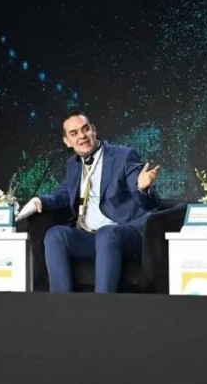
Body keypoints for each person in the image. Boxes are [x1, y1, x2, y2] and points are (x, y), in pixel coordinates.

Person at [25, 113, 161, 293]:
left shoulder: (123, 156)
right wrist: (40, 200)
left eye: (85, 129)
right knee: (55, 234)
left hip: (124, 233)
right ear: (67, 142)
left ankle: (102, 305)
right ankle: (61, 303)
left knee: (107, 233)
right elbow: (65, 192)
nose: (82, 136)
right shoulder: (74, 163)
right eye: (74, 133)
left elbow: (150, 202)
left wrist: (142, 188)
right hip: (89, 236)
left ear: (94, 130)